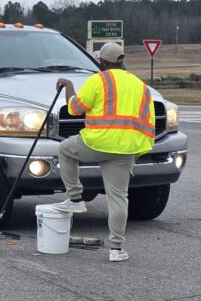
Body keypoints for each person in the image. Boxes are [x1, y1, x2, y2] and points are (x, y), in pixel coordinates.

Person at [52, 42, 155, 262]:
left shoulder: (98, 80)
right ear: (121, 61)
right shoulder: (140, 85)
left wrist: (68, 85)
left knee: (65, 150)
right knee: (118, 198)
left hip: (96, 144)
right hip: (126, 149)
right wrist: (136, 152)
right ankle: (116, 249)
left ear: (103, 62)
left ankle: (75, 198)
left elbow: (75, 108)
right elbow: (149, 123)